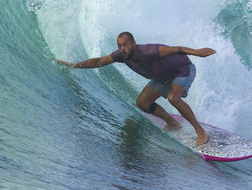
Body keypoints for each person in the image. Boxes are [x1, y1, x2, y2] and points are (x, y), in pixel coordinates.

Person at [57, 32, 216, 146]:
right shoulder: (121, 56)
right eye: (120, 46)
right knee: (142, 103)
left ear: (133, 43)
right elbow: (99, 61)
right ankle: (172, 122)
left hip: (183, 70)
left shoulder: (149, 51)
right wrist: (74, 66)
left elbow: (176, 49)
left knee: (173, 97)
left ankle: (200, 131)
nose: (122, 49)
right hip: (162, 76)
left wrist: (197, 52)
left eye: (125, 45)